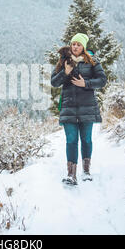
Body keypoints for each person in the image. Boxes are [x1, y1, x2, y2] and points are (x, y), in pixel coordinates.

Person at [51, 33, 107, 185]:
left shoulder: (92, 61)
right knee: (71, 140)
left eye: (78, 44)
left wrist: (86, 84)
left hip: (87, 108)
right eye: (73, 44)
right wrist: (66, 72)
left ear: (83, 47)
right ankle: (71, 174)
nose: (75, 46)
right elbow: (54, 82)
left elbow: (102, 80)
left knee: (86, 140)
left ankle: (86, 171)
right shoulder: (64, 61)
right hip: (68, 108)